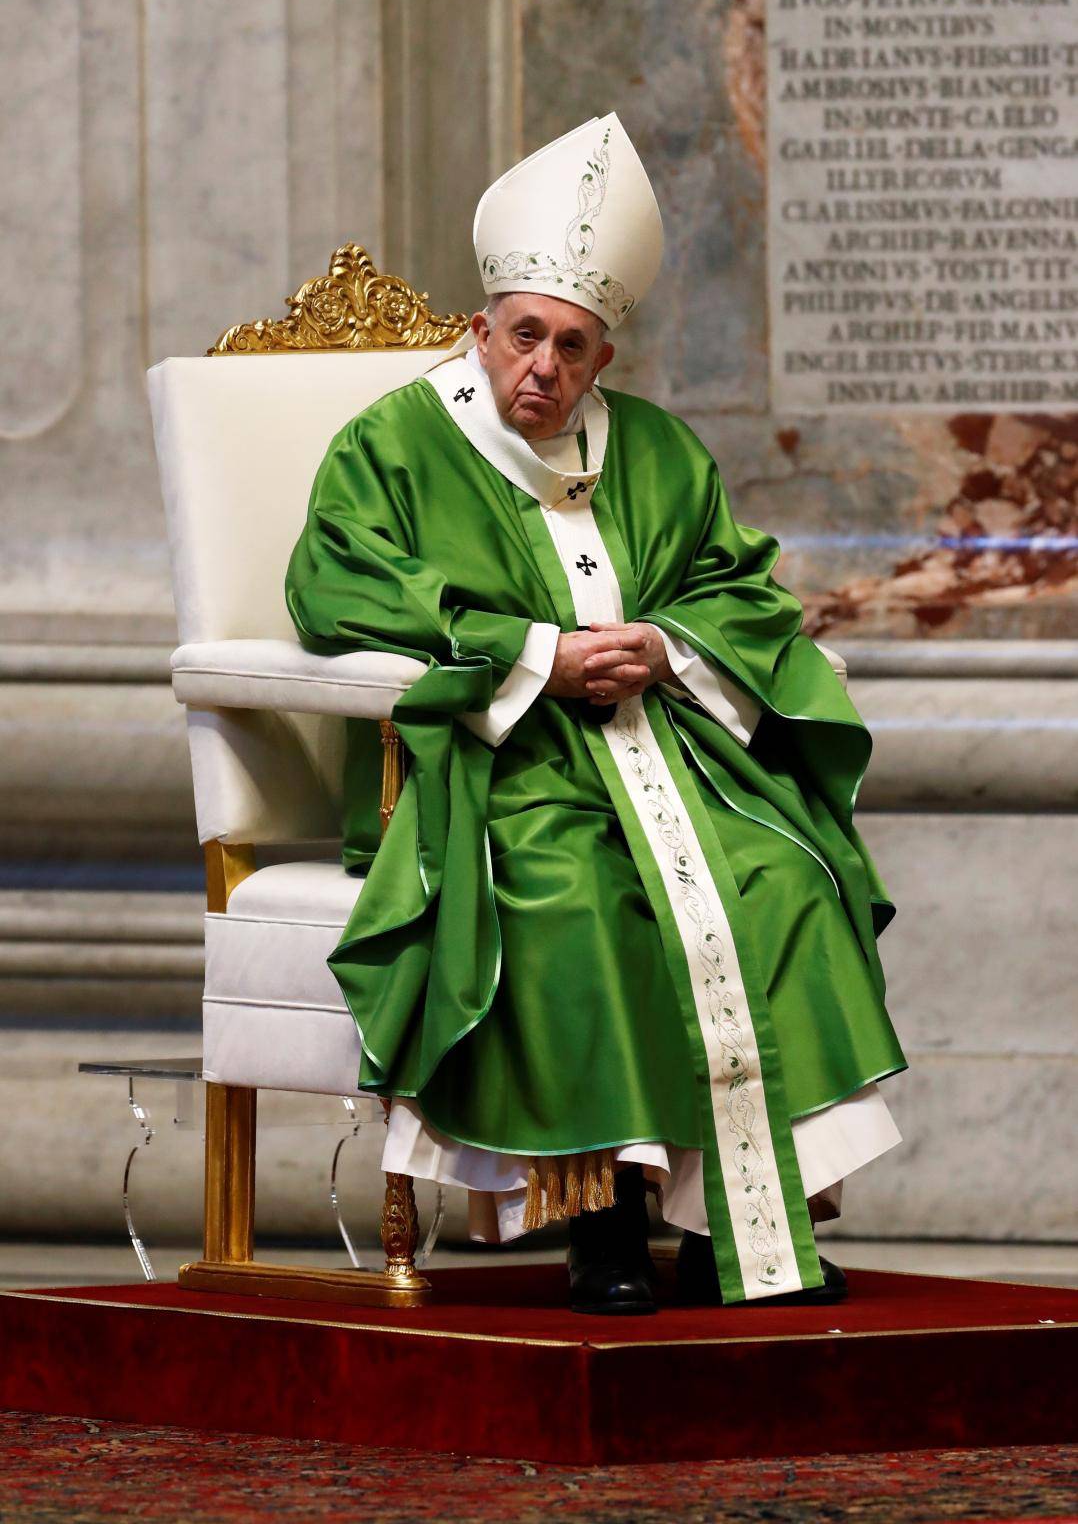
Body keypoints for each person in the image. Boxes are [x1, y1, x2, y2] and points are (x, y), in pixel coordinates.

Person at [285, 114, 907, 1315]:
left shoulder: (659, 454)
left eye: (573, 348)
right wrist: (537, 653)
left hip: (666, 749)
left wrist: (664, 646)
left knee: (785, 878)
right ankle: (603, 1222)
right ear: (481, 329)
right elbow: (334, 583)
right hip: (504, 756)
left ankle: (745, 1216)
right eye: (525, 337)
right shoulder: (393, 446)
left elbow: (740, 590)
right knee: (572, 891)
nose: (543, 370)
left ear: (602, 358)